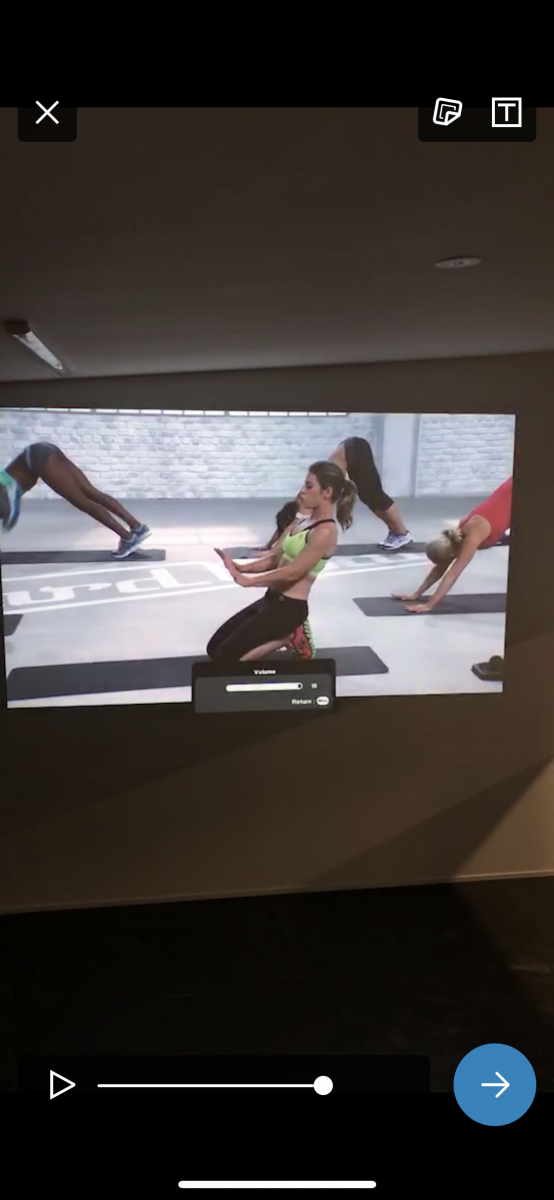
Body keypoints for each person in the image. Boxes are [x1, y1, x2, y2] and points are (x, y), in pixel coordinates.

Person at [207, 461, 357, 662]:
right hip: (271, 600)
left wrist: (249, 581)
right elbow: (275, 559)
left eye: (309, 486)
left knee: (225, 659)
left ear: (327, 492)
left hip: (290, 608)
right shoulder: (303, 522)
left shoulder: (325, 532)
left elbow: (293, 573)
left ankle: (289, 637)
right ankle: (286, 634)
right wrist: (241, 568)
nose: (302, 491)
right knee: (213, 648)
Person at [0, 442, 150, 559]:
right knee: (90, 492)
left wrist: (7, 519)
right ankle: (138, 527)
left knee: (82, 502)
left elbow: (9, 509)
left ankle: (128, 537)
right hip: (40, 451)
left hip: (36, 459)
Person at [392, 477, 513, 614]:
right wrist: (415, 594)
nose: (441, 565)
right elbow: (439, 570)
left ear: (450, 554)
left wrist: (429, 605)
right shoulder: (454, 538)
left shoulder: (473, 536)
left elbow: (453, 574)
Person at [329, 436, 412, 550]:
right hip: (352, 453)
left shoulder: (331, 474)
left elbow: (342, 493)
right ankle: (395, 531)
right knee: (367, 497)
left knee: (376, 495)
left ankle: (402, 533)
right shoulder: (331, 474)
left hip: (356, 450)